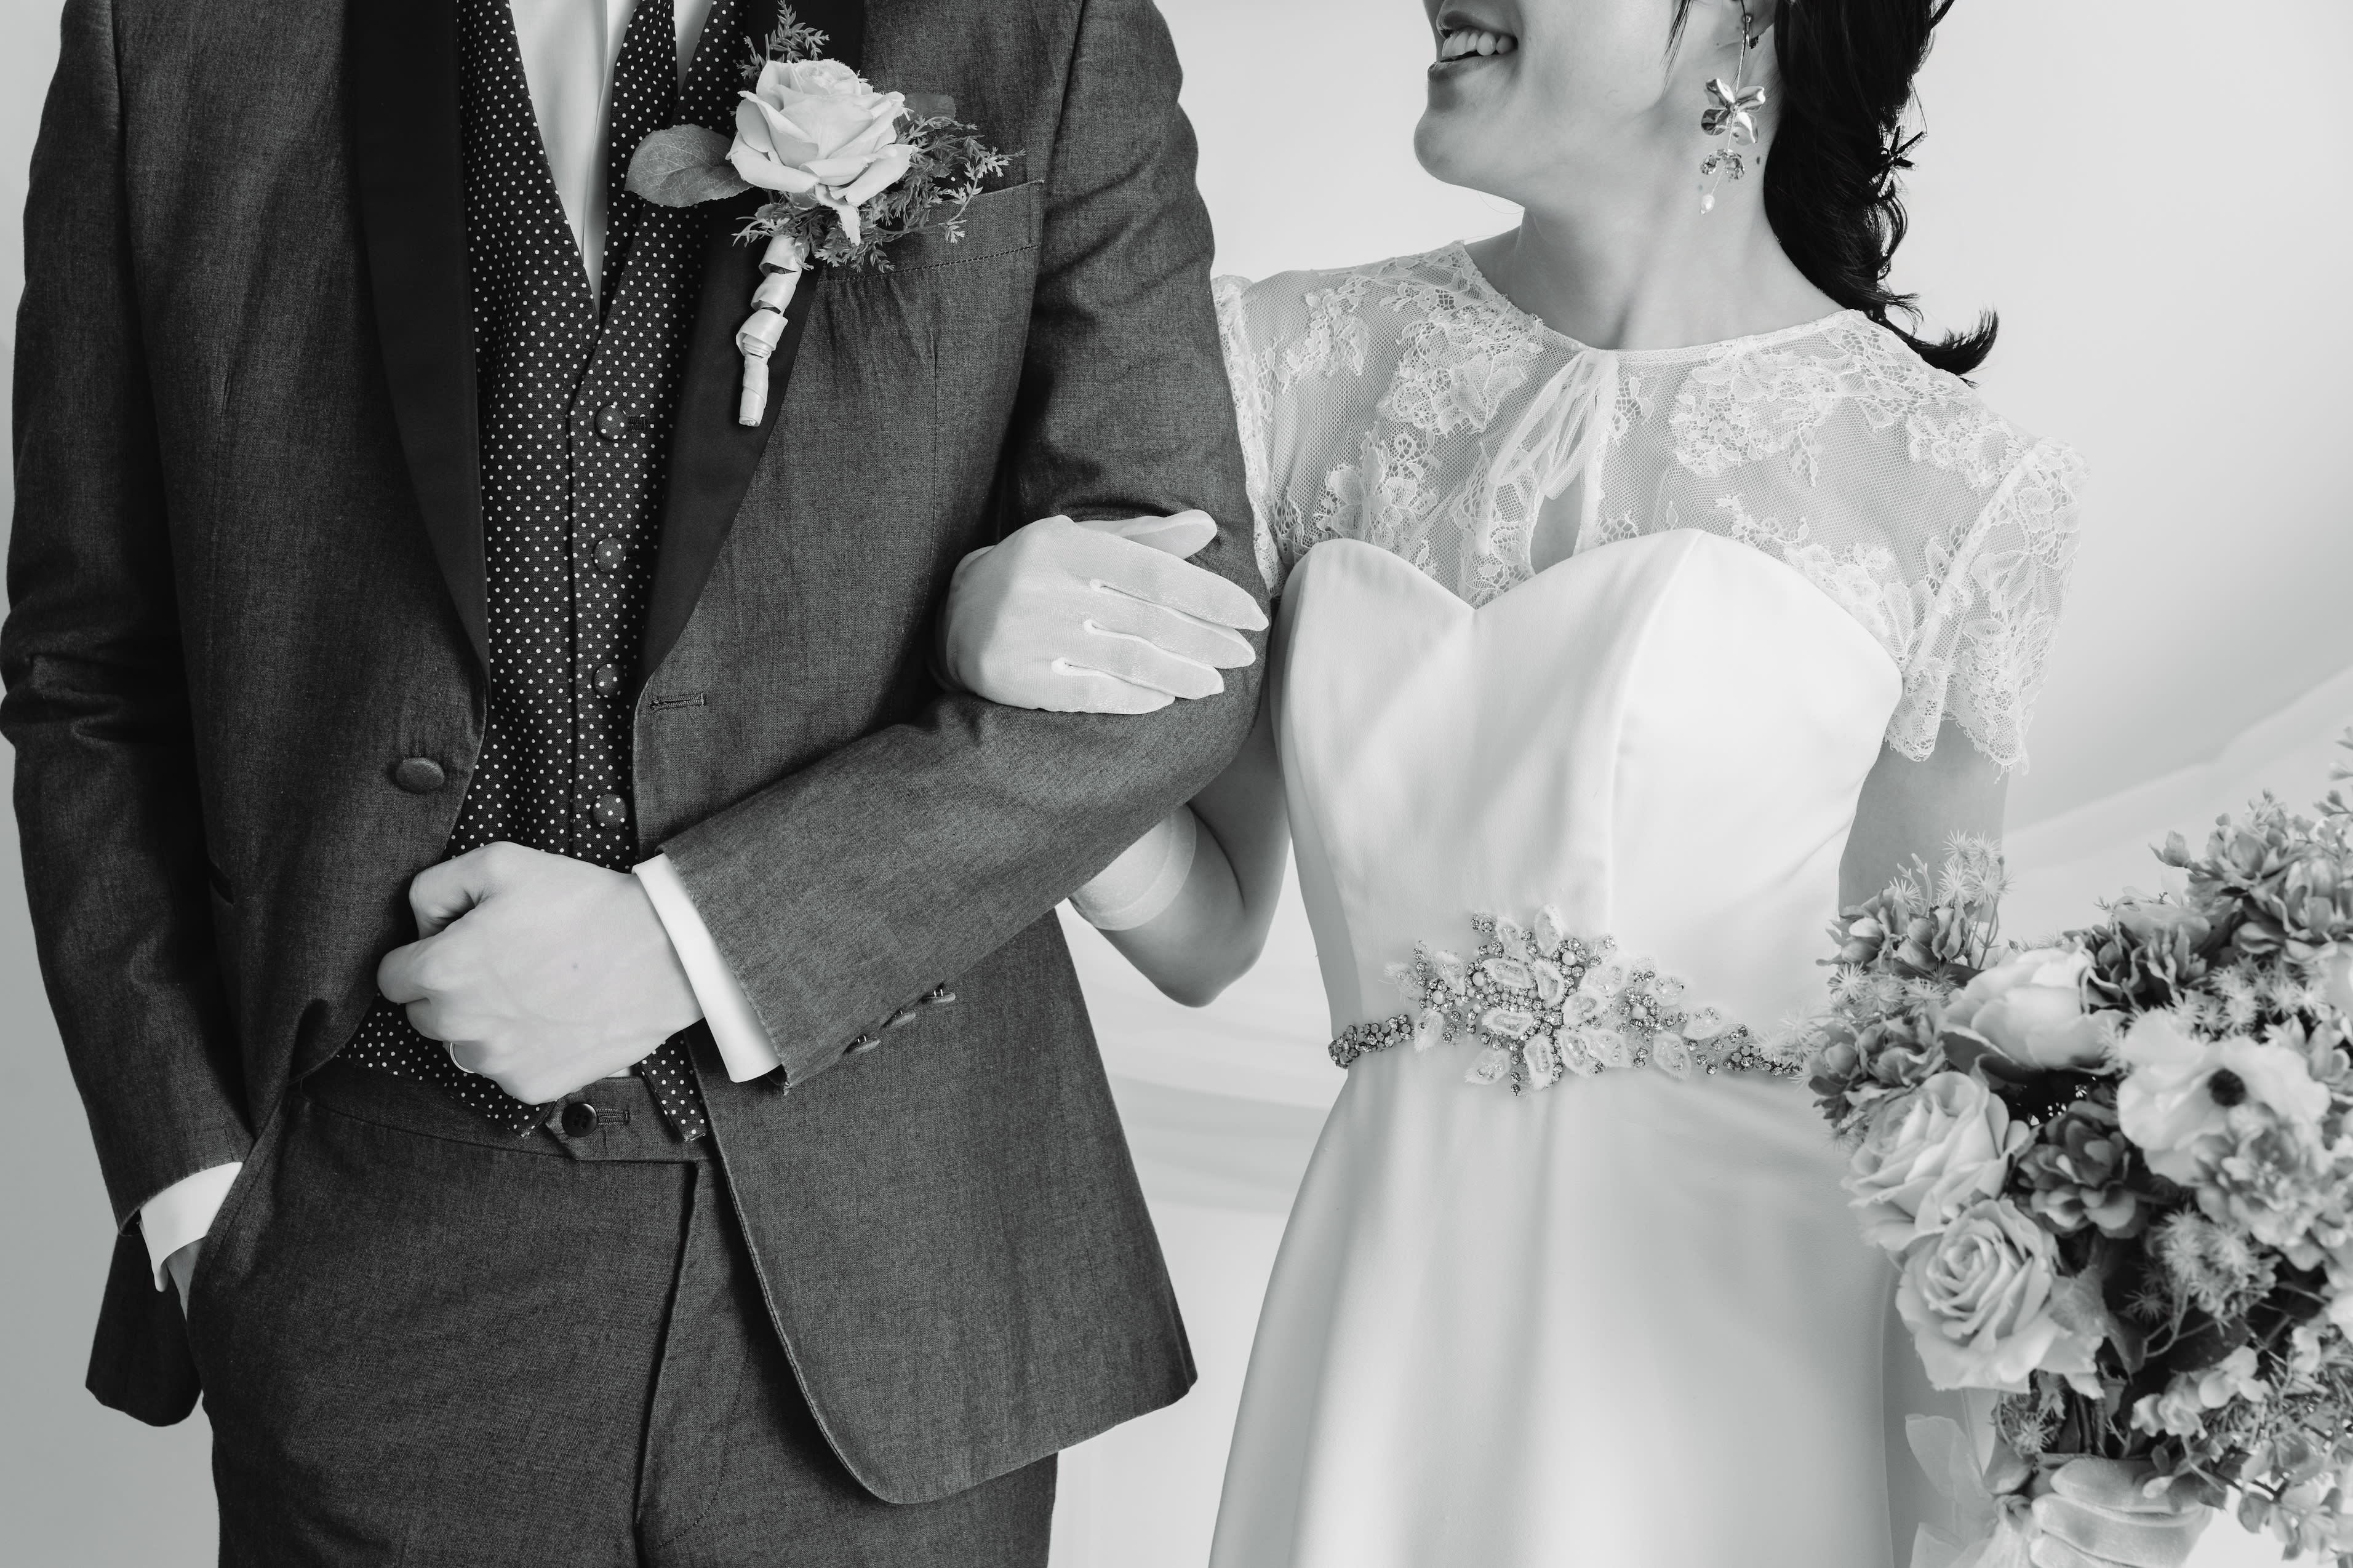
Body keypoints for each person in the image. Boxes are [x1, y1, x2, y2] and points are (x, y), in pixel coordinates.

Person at [938, 1, 2215, 1564]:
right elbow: (1208, 929)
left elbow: (1926, 1100)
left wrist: (1976, 1515)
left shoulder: (1959, 494)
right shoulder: (1285, 363)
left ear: (1747, 22)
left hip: (1743, 1361)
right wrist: (1025, 705)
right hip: (1392, 1317)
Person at [1, 0, 1275, 1560]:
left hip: (897, 1267)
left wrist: (696, 939)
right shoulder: (177, 35)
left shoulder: (1038, 28)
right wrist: (201, 1197)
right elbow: (90, 665)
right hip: (369, 1265)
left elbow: (1179, 653)